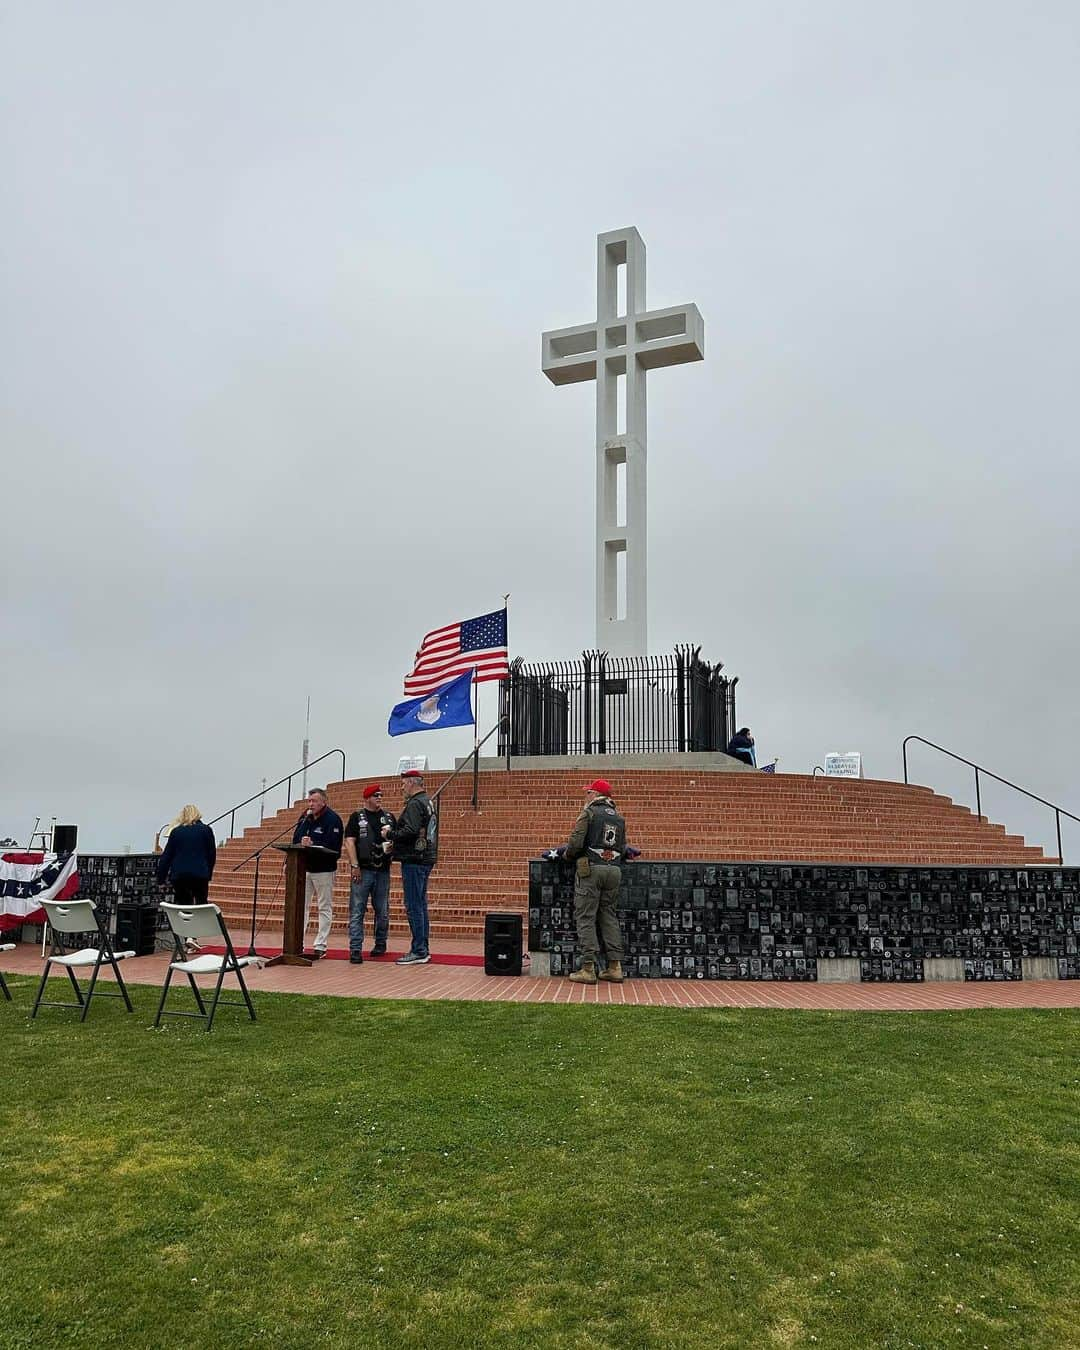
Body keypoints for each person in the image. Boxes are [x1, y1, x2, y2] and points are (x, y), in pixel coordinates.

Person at [564, 779, 627, 985]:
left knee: (585, 916)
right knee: (609, 915)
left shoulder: (589, 813)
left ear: (594, 794)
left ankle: (588, 968)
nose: (585, 796)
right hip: (614, 870)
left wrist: (566, 855)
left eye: (587, 792)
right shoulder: (619, 818)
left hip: (591, 869)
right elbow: (623, 848)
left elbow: (576, 842)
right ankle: (615, 967)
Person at [382, 769, 437, 966]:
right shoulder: (428, 801)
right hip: (425, 857)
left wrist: (390, 835)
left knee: (414, 906)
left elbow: (411, 830)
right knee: (420, 905)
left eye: (404, 783)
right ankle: (423, 947)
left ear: (413, 783)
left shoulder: (415, 804)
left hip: (415, 859)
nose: (402, 787)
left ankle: (419, 950)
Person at [343, 785, 396, 964]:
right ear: (367, 798)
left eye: (381, 795)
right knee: (357, 909)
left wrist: (391, 847)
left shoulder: (388, 817)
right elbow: (349, 842)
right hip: (363, 870)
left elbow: (396, 839)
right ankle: (355, 949)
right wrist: (354, 865)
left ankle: (381, 942)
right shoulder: (357, 817)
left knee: (382, 911)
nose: (379, 797)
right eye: (376, 795)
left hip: (382, 870)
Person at [291, 787, 344, 959]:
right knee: (301, 907)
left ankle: (320, 945)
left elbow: (334, 846)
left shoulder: (333, 819)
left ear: (324, 802)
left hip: (324, 870)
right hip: (304, 869)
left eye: (314, 801)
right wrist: (301, 840)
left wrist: (313, 842)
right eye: (309, 801)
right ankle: (297, 942)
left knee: (324, 907)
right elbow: (295, 838)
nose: (311, 804)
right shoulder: (305, 818)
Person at [156, 804, 217, 905]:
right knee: (201, 902)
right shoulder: (206, 830)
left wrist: (161, 879)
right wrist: (208, 874)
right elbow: (211, 855)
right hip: (200, 874)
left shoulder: (176, 832)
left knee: (183, 904)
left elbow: (167, 857)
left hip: (179, 875)